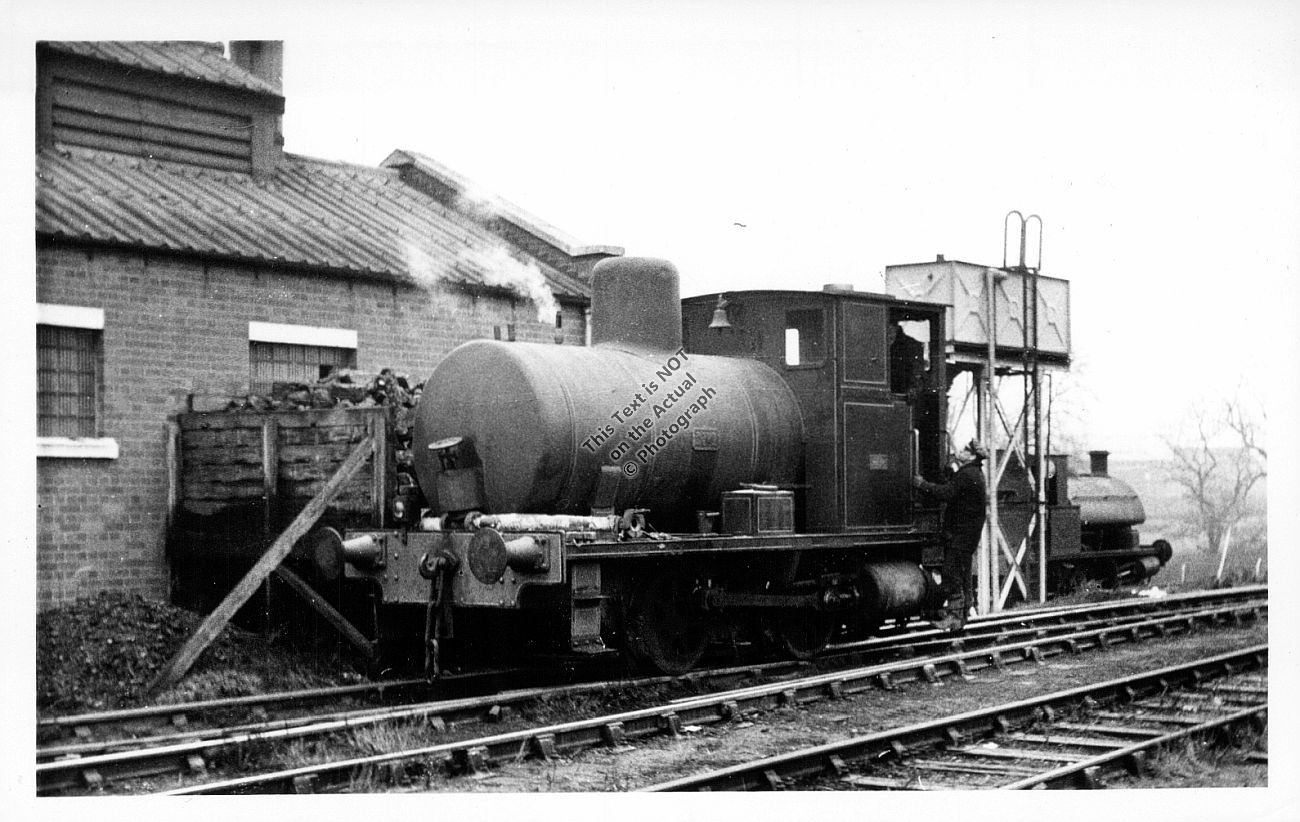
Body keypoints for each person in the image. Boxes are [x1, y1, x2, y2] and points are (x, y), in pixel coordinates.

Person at [912, 438, 988, 631]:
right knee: (963, 574)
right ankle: (963, 614)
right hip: (967, 535)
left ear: (971, 455)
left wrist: (922, 485)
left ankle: (954, 615)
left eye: (964, 449)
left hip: (961, 535)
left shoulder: (967, 474)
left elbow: (946, 493)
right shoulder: (974, 473)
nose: (960, 451)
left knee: (951, 572)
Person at [889, 323, 926, 395]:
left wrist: (913, 388)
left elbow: (917, 370)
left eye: (891, 329)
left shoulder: (911, 345)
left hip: (902, 392)